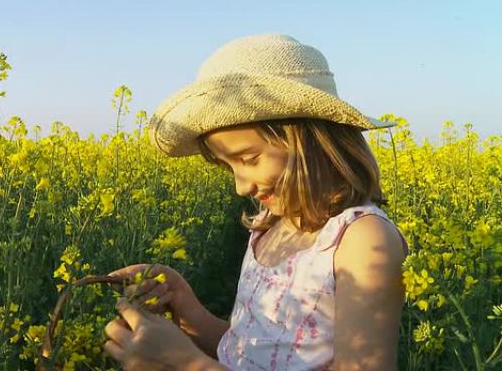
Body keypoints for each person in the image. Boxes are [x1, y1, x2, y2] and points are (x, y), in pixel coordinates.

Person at [102, 34, 410, 371]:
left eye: (249, 158)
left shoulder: (361, 241)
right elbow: (245, 352)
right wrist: (185, 305)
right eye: (228, 166)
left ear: (311, 140)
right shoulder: (271, 225)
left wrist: (186, 364)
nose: (240, 186)